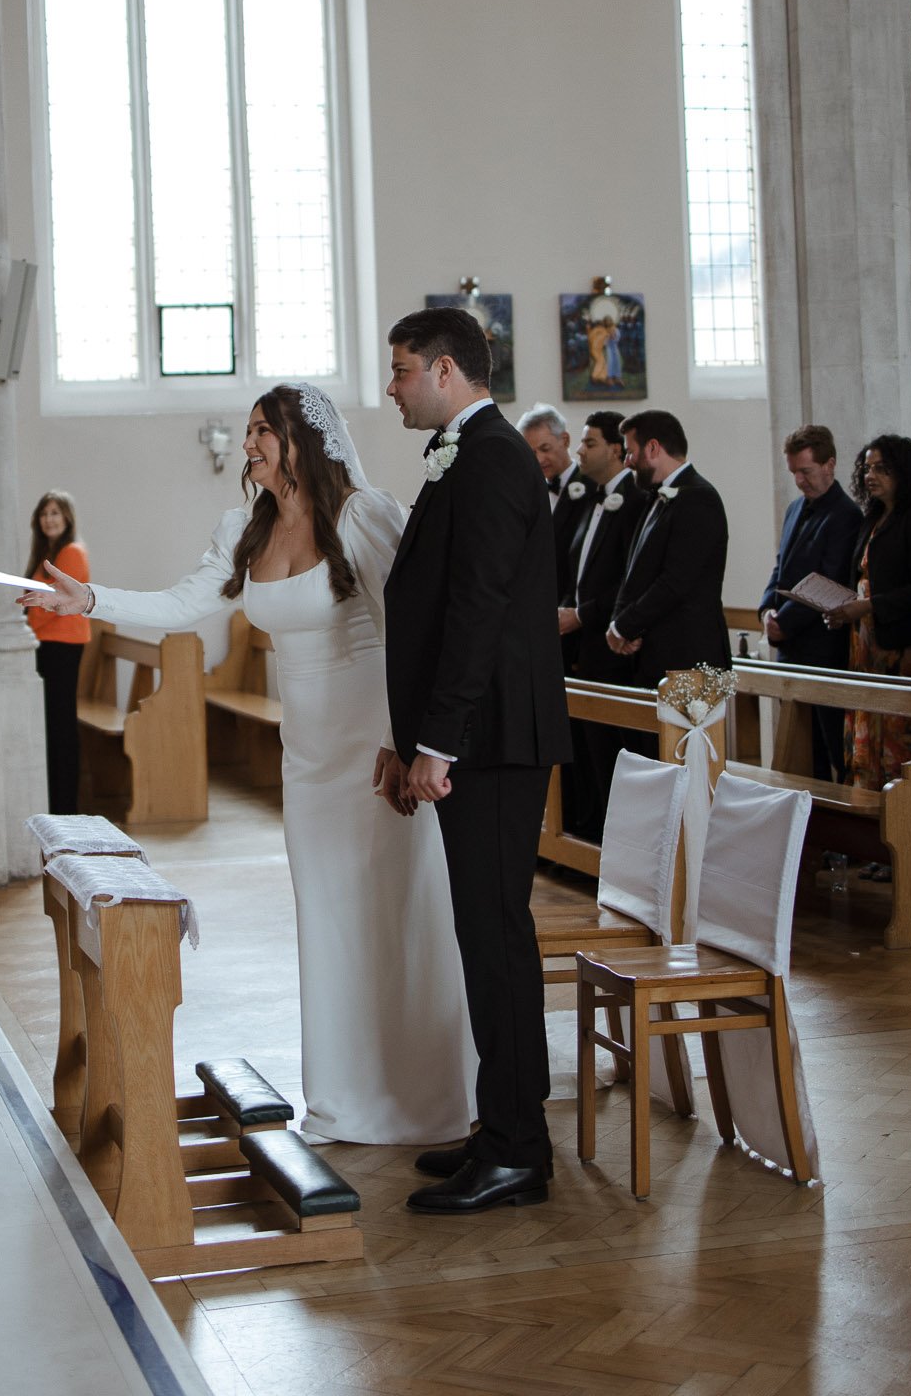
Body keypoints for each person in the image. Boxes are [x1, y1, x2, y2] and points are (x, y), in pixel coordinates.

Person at [31, 382, 474, 1149]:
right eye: (247, 433)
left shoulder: (361, 515)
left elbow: (413, 629)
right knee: (329, 917)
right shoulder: (244, 528)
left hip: (374, 743)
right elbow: (179, 604)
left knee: (396, 911)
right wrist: (89, 600)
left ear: (303, 439)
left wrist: (409, 743)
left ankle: (426, 1094)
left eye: (261, 431)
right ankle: (343, 1097)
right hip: (307, 761)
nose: (248, 446)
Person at [380, 308, 571, 1215]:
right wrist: (410, 733)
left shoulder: (491, 457)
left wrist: (436, 742)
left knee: (495, 939)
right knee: (482, 937)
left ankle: (518, 1150)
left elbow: (478, 611)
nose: (391, 387)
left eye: (402, 370)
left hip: (491, 742)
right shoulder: (471, 452)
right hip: (477, 737)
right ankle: (500, 1126)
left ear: (447, 370)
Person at [824, 436, 911, 794]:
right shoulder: (872, 516)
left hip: (898, 646)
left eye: (881, 469)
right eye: (867, 468)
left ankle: (900, 822)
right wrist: (843, 611)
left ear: (903, 472)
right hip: (863, 642)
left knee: (897, 739)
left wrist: (869, 606)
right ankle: (865, 824)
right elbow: (861, 577)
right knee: (864, 734)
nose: (871, 475)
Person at [556, 409, 649, 839]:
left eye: (589, 443)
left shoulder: (633, 500)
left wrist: (583, 615)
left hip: (611, 652)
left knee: (613, 754)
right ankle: (585, 837)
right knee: (584, 754)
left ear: (616, 449)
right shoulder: (585, 499)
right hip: (578, 651)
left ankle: (616, 843)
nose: (579, 451)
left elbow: (632, 581)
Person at [757, 425, 863, 780]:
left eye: (806, 471)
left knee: (833, 746)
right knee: (801, 752)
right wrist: (766, 610)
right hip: (791, 647)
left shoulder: (846, 515)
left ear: (829, 464)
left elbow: (829, 580)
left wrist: (783, 623)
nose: (800, 481)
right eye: (795, 473)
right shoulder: (793, 509)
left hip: (823, 648)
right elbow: (781, 567)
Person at [607, 409, 730, 685]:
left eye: (630, 451)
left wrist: (623, 626)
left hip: (688, 660)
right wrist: (619, 624)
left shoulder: (700, 499)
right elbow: (634, 573)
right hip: (655, 657)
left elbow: (676, 582)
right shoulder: (655, 498)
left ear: (652, 447)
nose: (627, 462)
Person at [23, 491, 90, 814]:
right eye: (44, 513)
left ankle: (66, 808)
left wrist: (27, 628)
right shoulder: (47, 552)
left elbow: (56, 604)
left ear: (67, 519)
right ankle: (55, 803)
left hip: (62, 644)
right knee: (52, 723)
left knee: (61, 725)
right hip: (46, 643)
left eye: (55, 513)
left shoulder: (71, 553)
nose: (49, 519)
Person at [517, 401, 585, 607]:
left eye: (544, 448)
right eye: (531, 452)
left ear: (564, 440)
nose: (538, 459)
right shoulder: (529, 492)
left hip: (573, 606)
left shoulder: (590, 488)